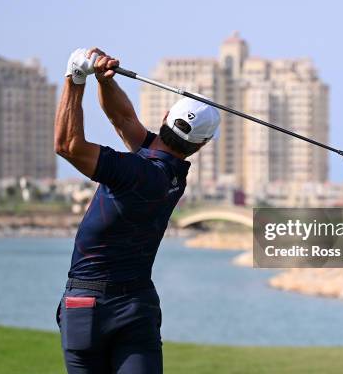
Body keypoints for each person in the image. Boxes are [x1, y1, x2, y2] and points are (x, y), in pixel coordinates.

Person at [54, 47, 220, 374]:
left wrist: (75, 78)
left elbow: (67, 146)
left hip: (87, 304)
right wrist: (104, 80)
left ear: (164, 119)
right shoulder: (173, 174)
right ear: (200, 145)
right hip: (137, 306)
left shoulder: (135, 171)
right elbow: (123, 119)